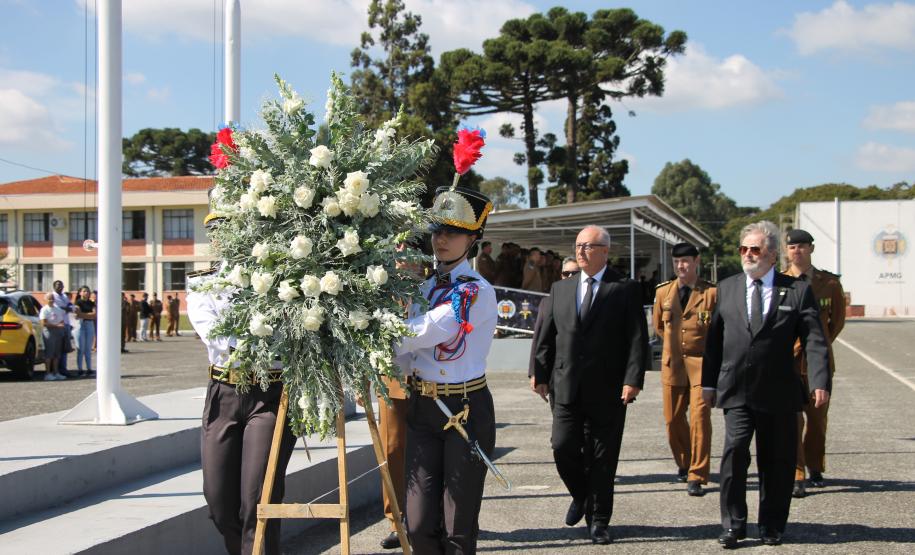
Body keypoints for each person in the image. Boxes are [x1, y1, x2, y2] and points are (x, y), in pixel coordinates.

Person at [702, 220, 830, 548]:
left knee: (777, 460)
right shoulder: (727, 287)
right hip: (736, 390)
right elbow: (714, 341)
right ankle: (733, 525)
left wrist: (819, 380)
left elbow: (815, 339)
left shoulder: (797, 290)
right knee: (734, 454)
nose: (747, 255)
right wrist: (708, 384)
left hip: (779, 391)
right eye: (743, 249)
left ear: (772, 254)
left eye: (754, 249)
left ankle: (772, 524)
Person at [395, 185, 498, 554]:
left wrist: (375, 332)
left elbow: (435, 329)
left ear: (473, 239)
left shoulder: (476, 291)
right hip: (424, 409)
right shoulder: (423, 286)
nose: (442, 239)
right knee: (418, 524)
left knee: (457, 529)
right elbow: (406, 354)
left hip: (465, 410)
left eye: (453, 232)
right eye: (438, 230)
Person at [187, 210, 297, 555]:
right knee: (219, 501)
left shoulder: (281, 282)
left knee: (258, 500)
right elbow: (216, 337)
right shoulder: (202, 282)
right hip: (224, 392)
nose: (224, 239)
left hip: (270, 394)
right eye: (217, 231)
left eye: (233, 229)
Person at [532, 225, 649, 544]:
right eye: (578, 245)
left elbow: (637, 339)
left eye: (588, 246)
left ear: (605, 251)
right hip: (566, 385)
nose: (581, 251)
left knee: (602, 457)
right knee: (562, 445)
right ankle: (581, 494)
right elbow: (546, 335)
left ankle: (599, 521)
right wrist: (539, 373)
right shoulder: (561, 289)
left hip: (608, 388)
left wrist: (632, 379)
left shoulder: (623, 289)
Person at [784, 229, 846, 498]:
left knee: (817, 420)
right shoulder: (779, 282)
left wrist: (817, 346)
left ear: (811, 248)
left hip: (818, 363)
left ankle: (815, 466)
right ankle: (797, 473)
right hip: (787, 362)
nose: (797, 251)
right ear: (787, 251)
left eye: (801, 246)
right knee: (792, 419)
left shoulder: (829, 284)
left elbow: (837, 322)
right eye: (792, 247)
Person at [652, 243, 716, 496]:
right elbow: (659, 327)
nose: (681, 266)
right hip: (673, 365)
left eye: (686, 261)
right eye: (677, 262)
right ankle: (685, 462)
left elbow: (717, 330)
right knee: (672, 420)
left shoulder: (711, 293)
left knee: (700, 418)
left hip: (702, 365)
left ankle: (697, 474)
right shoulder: (663, 293)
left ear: (696, 261)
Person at [528, 257, 579, 380]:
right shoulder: (547, 303)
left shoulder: (589, 301)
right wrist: (535, 373)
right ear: (561, 275)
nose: (570, 277)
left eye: (575, 273)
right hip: (557, 373)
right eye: (566, 274)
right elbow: (539, 339)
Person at [39, 292, 68, 381]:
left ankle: (56, 372)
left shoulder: (57, 309)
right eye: (49, 298)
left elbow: (61, 320)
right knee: (49, 354)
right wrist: (56, 326)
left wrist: (60, 326)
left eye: (52, 298)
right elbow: (44, 323)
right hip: (49, 332)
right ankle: (48, 373)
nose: (51, 300)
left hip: (58, 332)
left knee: (57, 354)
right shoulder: (44, 309)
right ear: (45, 300)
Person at [51, 280, 75, 377]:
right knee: (58, 348)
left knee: (65, 347)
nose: (60, 287)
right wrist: (67, 308)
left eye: (61, 285)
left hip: (66, 323)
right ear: (54, 287)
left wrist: (68, 308)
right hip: (58, 324)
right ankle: (57, 369)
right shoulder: (52, 296)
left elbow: (71, 306)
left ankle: (63, 368)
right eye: (57, 285)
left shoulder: (64, 296)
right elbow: (58, 309)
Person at [75, 285, 97, 378]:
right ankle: (80, 369)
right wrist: (87, 315)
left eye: (88, 291)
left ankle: (89, 368)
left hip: (89, 324)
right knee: (81, 348)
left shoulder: (91, 303)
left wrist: (84, 315)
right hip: (80, 325)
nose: (86, 293)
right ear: (80, 293)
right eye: (84, 291)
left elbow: (94, 315)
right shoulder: (78, 302)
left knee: (88, 348)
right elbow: (78, 314)